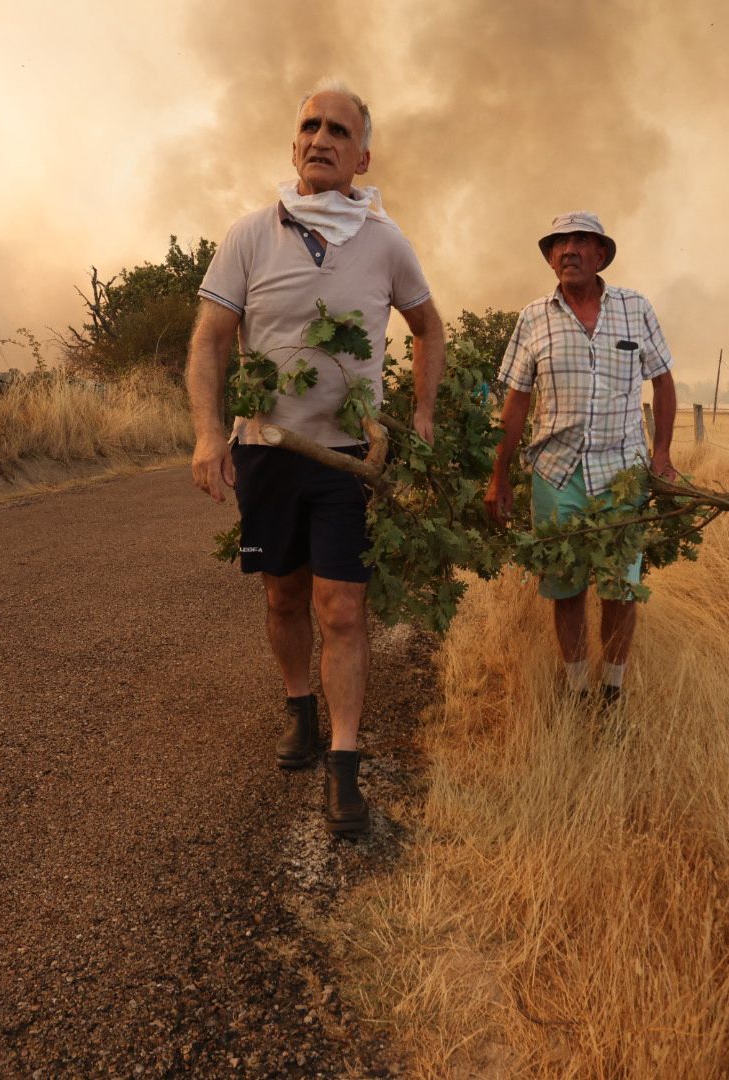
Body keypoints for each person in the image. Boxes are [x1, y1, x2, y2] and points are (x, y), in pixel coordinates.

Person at [185, 80, 445, 836]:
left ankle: (344, 764)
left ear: (363, 154)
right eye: (310, 125)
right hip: (267, 450)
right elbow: (208, 340)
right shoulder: (248, 234)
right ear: (294, 143)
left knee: (344, 606)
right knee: (283, 598)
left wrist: (422, 413)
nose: (321, 138)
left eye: (339, 129)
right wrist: (209, 433)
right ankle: (299, 704)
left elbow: (430, 327)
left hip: (347, 461)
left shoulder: (387, 241)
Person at [484, 211, 677, 706]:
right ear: (550, 258)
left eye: (580, 241)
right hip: (556, 474)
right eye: (559, 244)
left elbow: (663, 380)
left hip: (622, 474)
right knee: (565, 588)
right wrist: (499, 474)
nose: (568, 250)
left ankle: (611, 688)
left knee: (620, 588)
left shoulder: (635, 308)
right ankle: (576, 689)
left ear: (600, 254)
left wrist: (661, 454)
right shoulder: (532, 317)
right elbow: (518, 402)